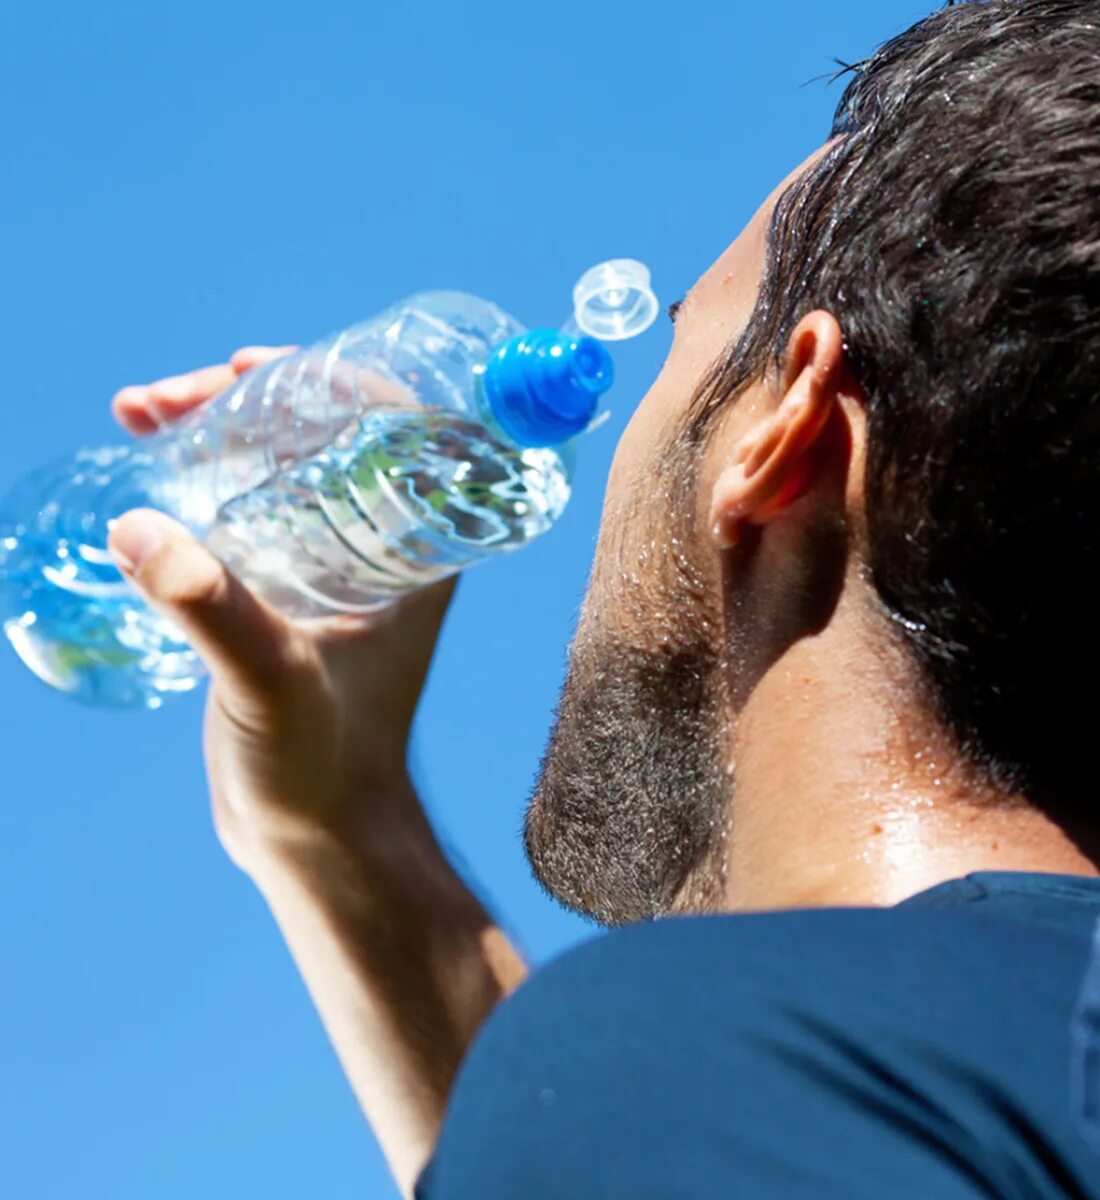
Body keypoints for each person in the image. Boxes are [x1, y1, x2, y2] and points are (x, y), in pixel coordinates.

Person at [104, 1, 1100, 1195]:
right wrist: (340, 831)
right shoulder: (909, 1076)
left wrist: (626, 1058)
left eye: (683, 334)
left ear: (781, 434)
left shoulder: (726, 1065)